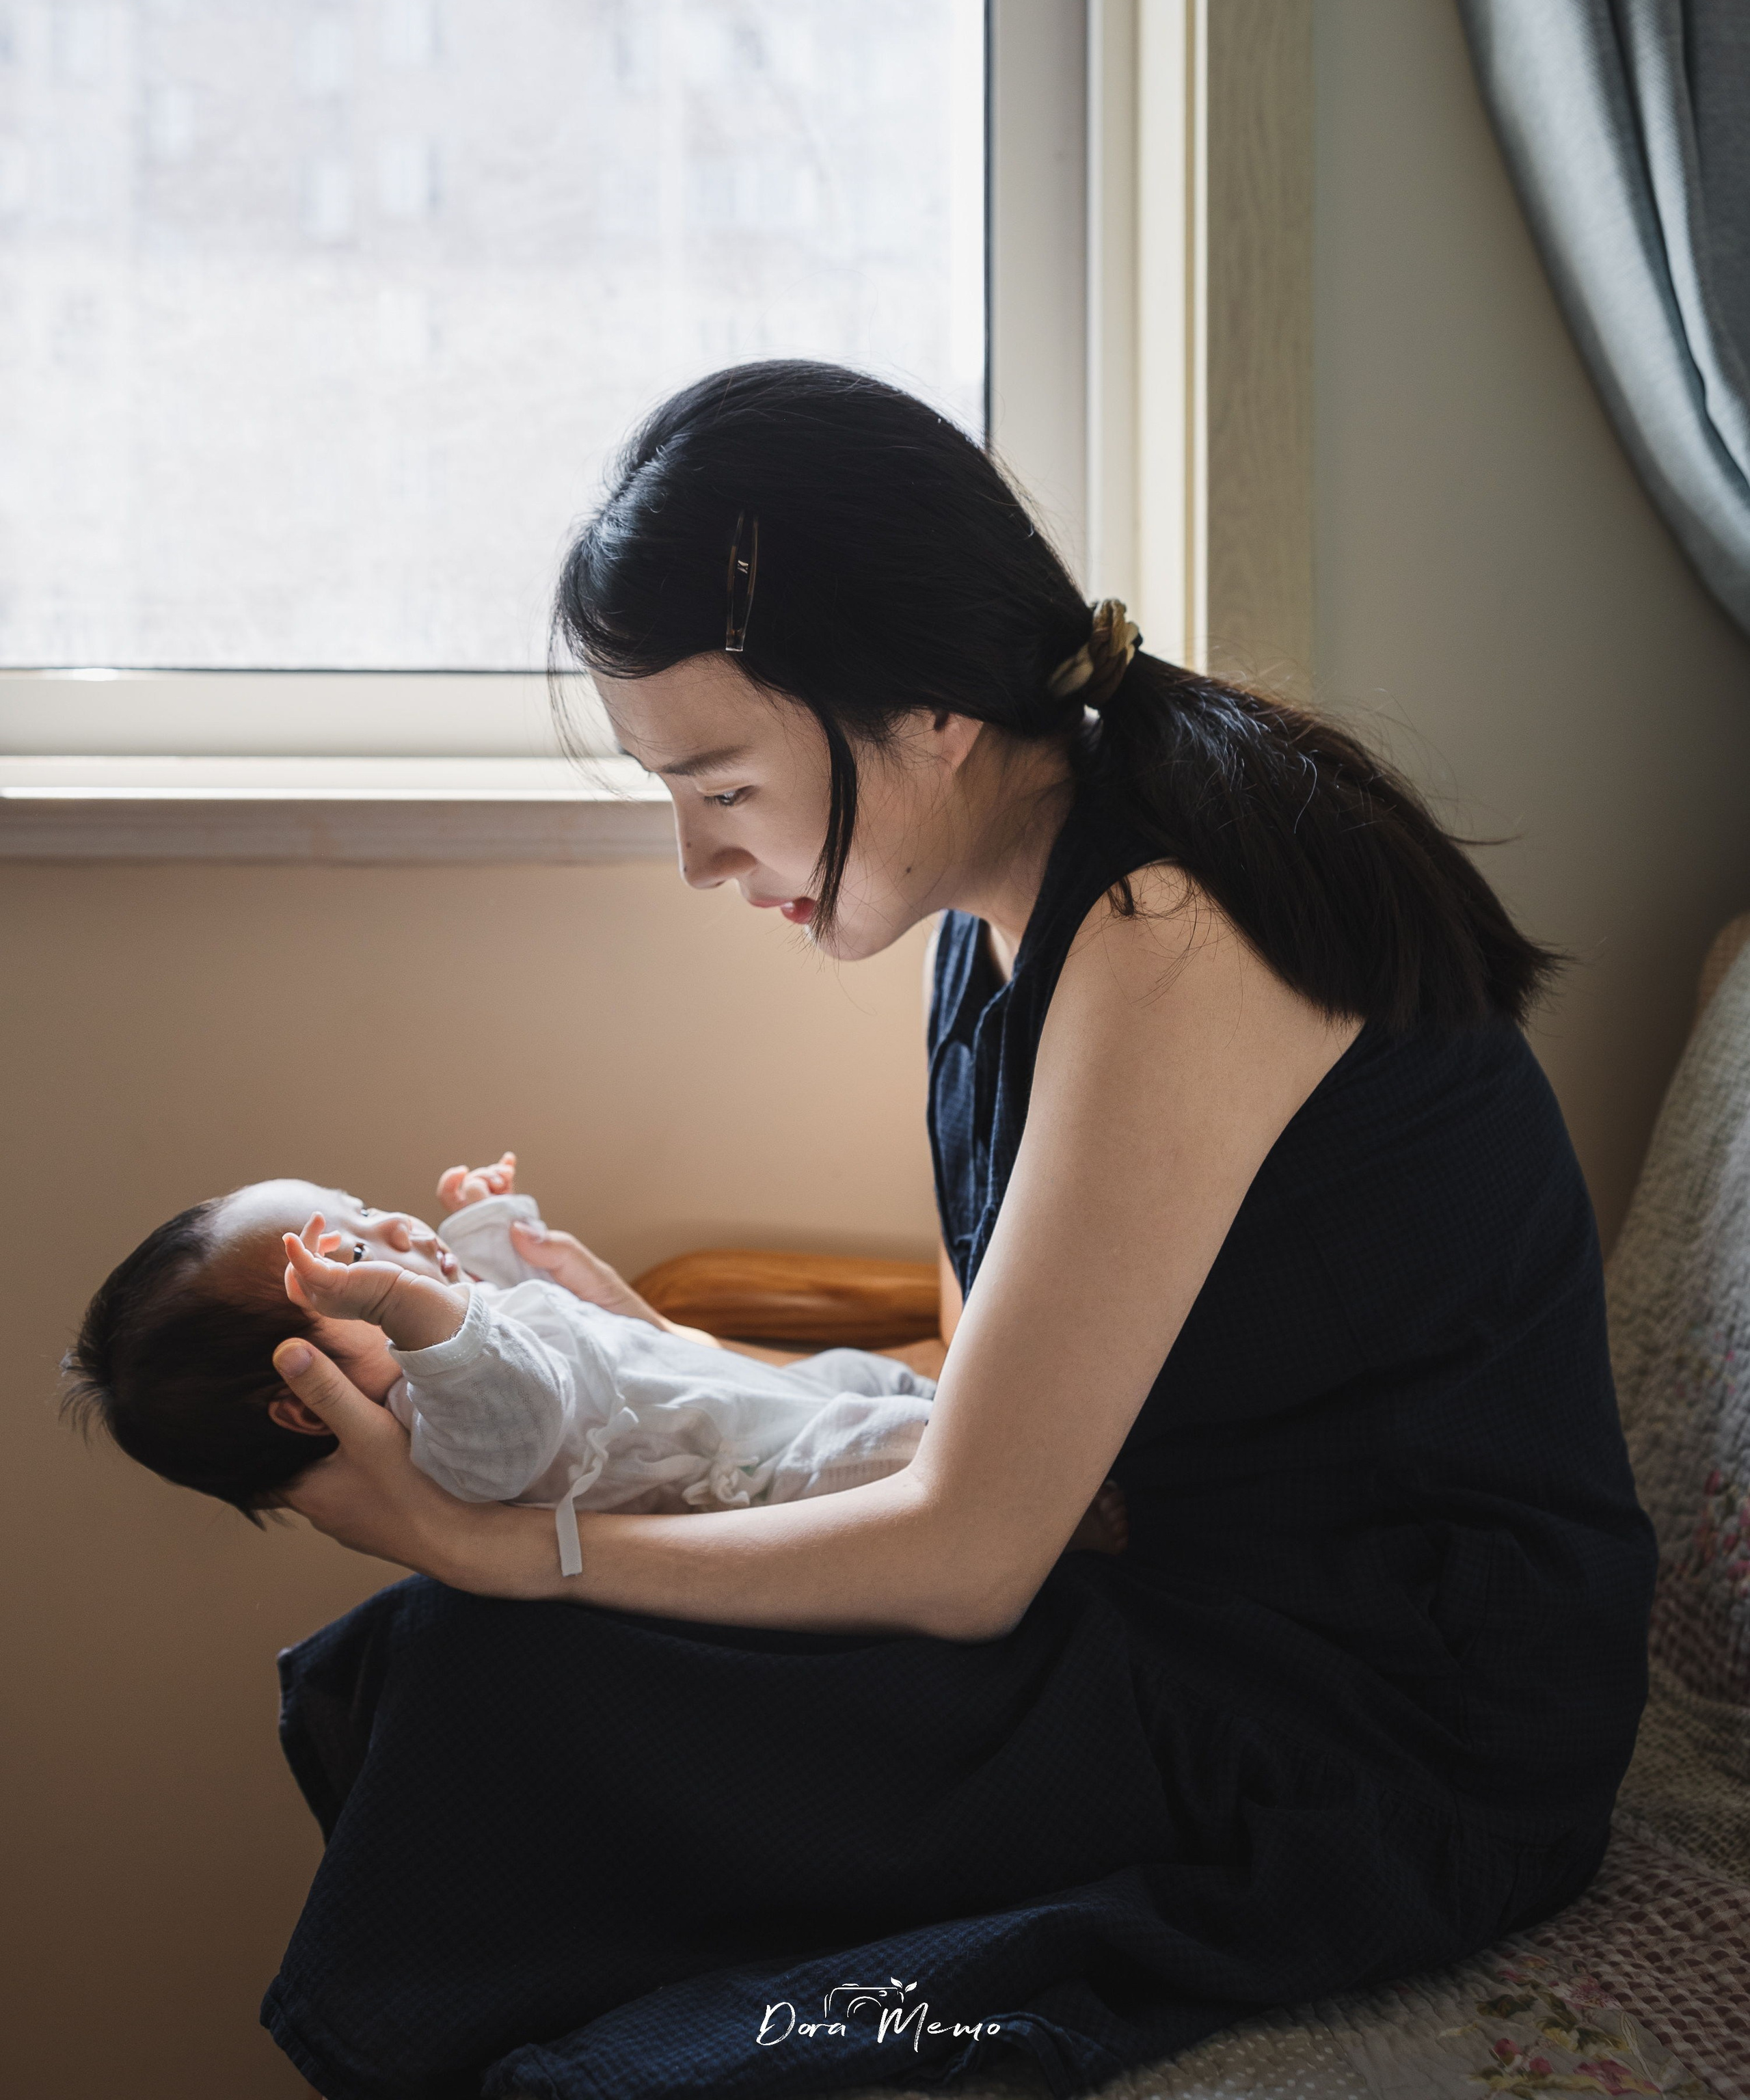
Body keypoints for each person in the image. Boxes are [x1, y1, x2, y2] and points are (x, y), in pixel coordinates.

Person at [257, 360, 1657, 2100]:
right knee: (465, 1675)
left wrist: (510, 1540)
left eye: (720, 785)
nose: (698, 860)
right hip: (1153, 1594)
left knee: (495, 1659)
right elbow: (977, 1410)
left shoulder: (1164, 931)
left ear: (923, 710)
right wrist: (648, 1348)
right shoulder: (985, 933)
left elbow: (976, 1541)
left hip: (1368, 1718)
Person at [65, 1156, 1054, 1578]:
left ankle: (1024, 1449)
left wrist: (491, 1223)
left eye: (362, 1206)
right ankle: (1058, 1504)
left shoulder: (447, 1345)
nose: (394, 1230)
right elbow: (515, 1404)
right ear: (300, 1401)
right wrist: (415, 1301)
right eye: (357, 1259)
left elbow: (504, 1308)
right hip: (768, 1482)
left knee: (871, 1381)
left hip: (766, 1401)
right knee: (902, 1443)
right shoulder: (443, 1439)